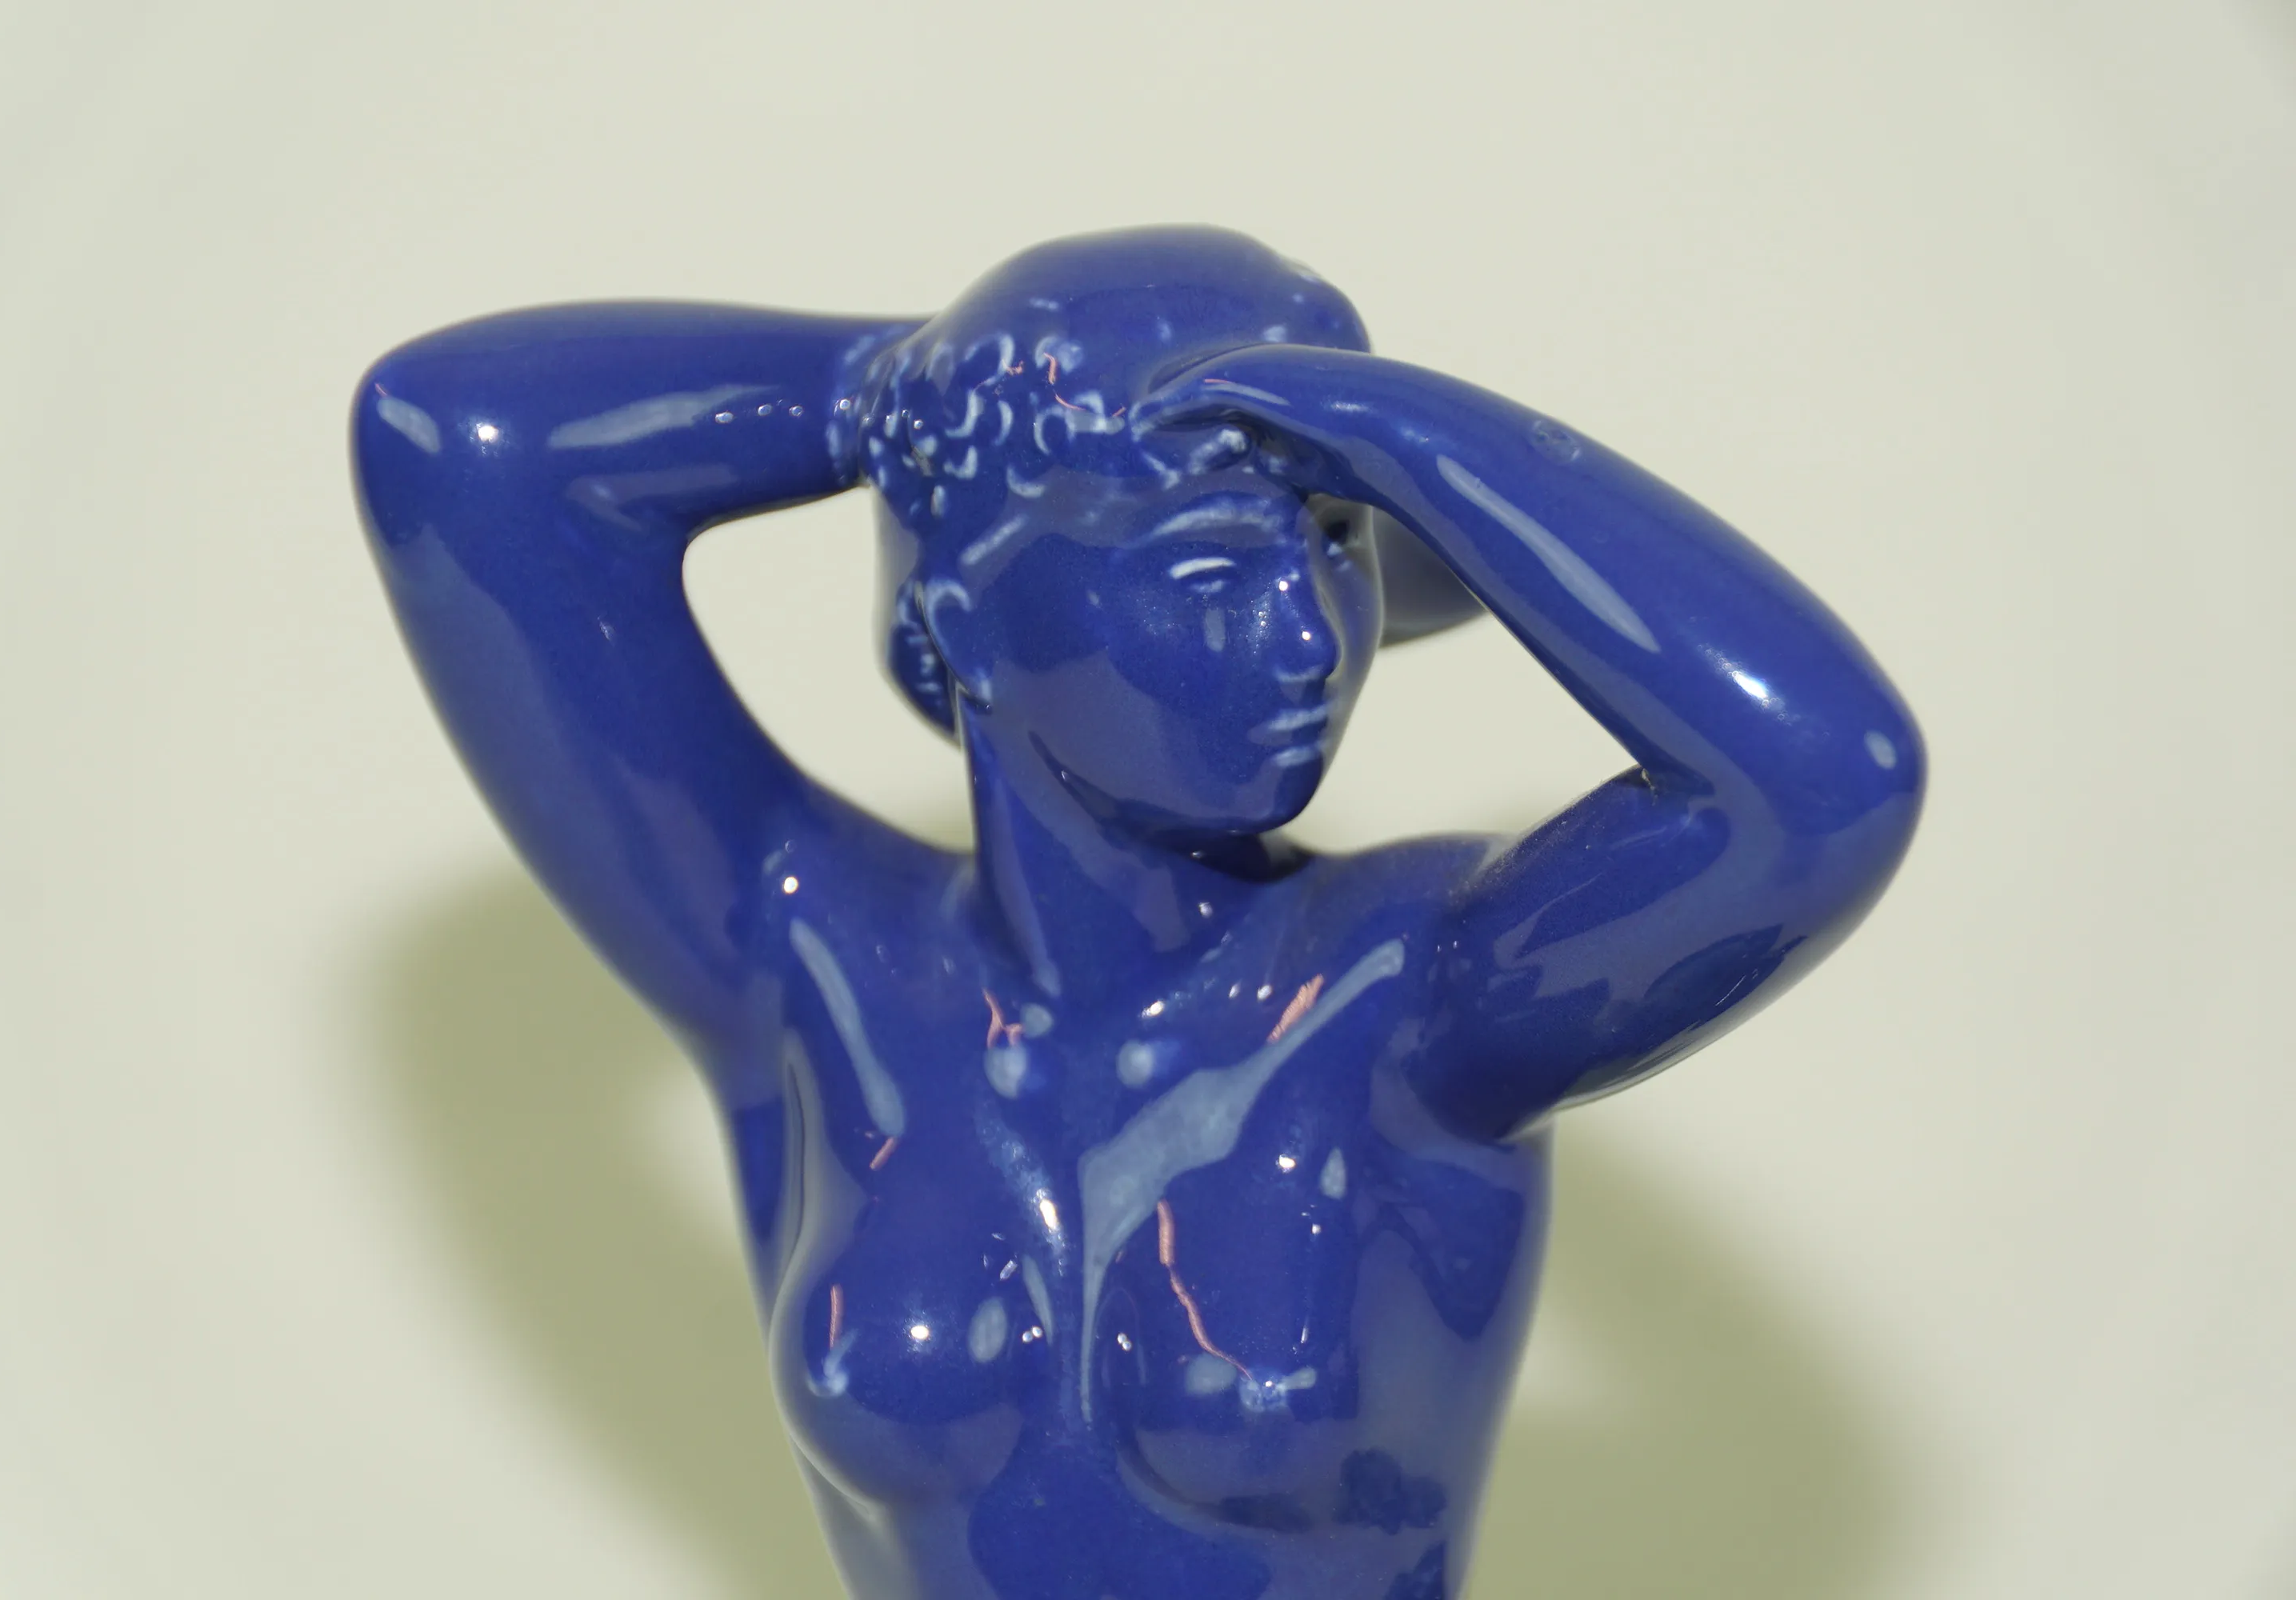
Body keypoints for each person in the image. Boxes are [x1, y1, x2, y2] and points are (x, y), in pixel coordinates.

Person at [350, 226, 1922, 1600]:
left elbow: (1817, 783)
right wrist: (924, 393)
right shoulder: (808, 957)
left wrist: (1374, 423)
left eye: (1335, 545)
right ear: (966, 613)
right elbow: (461, 444)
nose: (1308, 636)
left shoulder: (1412, 999)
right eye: (1211, 568)